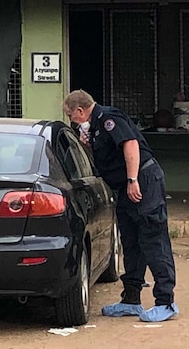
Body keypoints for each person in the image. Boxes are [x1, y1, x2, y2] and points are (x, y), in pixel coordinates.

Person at [62, 89, 179, 322]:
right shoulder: (94, 128)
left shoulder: (108, 118)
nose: (71, 121)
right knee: (131, 241)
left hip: (142, 182)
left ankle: (165, 302)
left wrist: (133, 180)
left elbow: (131, 145)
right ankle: (131, 300)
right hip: (123, 188)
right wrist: (87, 145)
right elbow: (105, 160)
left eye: (71, 116)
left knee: (153, 239)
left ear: (80, 110)